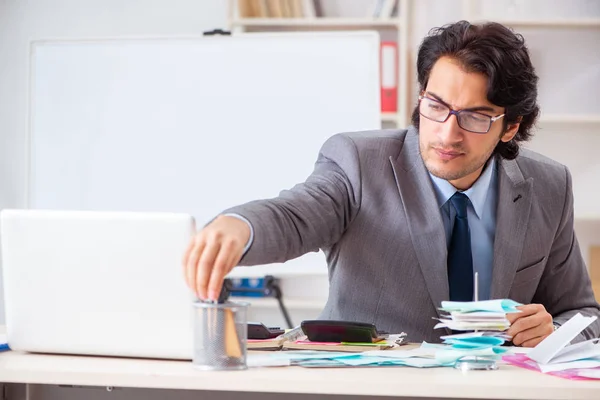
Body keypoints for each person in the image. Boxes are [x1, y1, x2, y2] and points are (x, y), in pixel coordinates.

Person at [182, 20, 600, 346]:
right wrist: (240, 225)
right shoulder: (358, 163)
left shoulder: (548, 185)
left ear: (511, 127)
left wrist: (553, 332)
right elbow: (295, 216)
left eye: (474, 117)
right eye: (436, 106)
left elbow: (583, 315)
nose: (447, 134)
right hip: (374, 386)